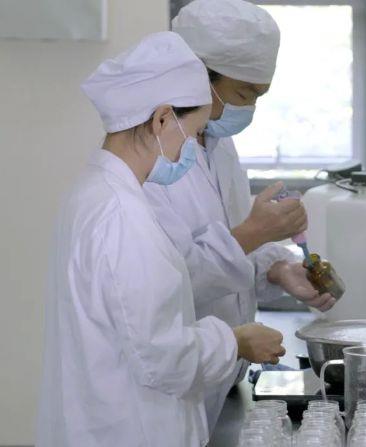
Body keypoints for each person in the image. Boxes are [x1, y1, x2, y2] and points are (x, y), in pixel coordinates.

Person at [36, 32, 285, 447]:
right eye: (195, 132)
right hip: (130, 429)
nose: (193, 151)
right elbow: (161, 357)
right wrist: (235, 341)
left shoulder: (95, 192)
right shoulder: (122, 215)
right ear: (163, 120)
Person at [143, 0, 338, 430]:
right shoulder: (149, 160)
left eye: (258, 96)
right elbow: (165, 284)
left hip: (221, 375)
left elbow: (229, 241)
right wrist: (254, 234)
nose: (248, 109)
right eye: (245, 94)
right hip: (171, 388)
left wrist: (276, 269)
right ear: (198, 76)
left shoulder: (217, 144)